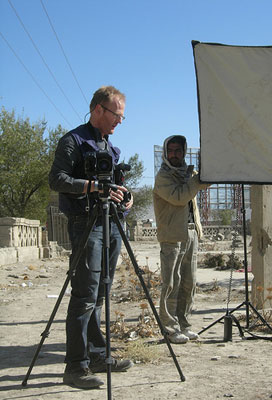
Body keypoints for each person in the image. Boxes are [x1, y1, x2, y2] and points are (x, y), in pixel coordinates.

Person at [49, 86, 133, 389]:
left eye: (122, 117)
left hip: (111, 223)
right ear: (98, 109)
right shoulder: (73, 141)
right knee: (84, 296)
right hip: (86, 224)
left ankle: (98, 354)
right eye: (116, 115)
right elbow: (57, 179)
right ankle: (75, 367)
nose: (120, 122)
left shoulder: (110, 149)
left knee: (100, 294)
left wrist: (125, 198)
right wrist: (92, 187)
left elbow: (115, 186)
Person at [153, 135, 209, 344]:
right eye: (171, 150)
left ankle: (184, 324)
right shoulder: (163, 177)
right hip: (171, 236)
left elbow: (202, 184)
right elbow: (179, 197)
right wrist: (196, 181)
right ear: (166, 153)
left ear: (184, 152)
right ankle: (169, 329)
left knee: (189, 281)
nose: (175, 154)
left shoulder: (188, 173)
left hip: (191, 232)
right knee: (171, 283)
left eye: (178, 150)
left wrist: (209, 170)